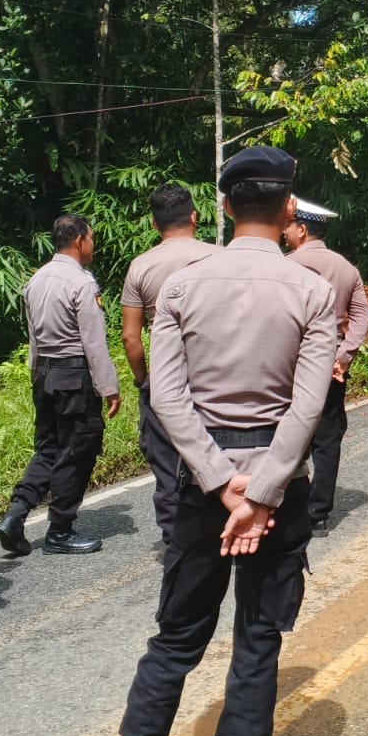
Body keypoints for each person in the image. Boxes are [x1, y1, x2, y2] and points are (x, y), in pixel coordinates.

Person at [95, 146, 336, 736]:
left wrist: (217, 479)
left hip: (199, 488)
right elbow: (308, 404)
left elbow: (165, 396)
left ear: (226, 207)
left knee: (176, 637)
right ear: (289, 207)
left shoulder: (180, 287)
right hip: (277, 485)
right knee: (257, 640)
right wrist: (260, 491)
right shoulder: (311, 291)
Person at [0, 214, 122, 558]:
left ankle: (15, 515)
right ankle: (60, 530)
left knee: (48, 448)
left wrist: (36, 376)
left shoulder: (36, 280)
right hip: (74, 375)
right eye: (91, 238)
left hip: (44, 374)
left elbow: (33, 336)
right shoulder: (81, 282)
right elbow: (93, 342)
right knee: (76, 451)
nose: (93, 244)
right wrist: (109, 386)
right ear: (79, 240)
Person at [121, 185, 219, 544]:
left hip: (165, 377)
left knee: (165, 458)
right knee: (214, 447)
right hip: (214, 376)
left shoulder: (141, 267)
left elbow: (131, 337)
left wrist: (144, 380)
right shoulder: (218, 258)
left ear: (153, 223)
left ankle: (175, 537)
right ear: (195, 217)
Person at [281, 197, 368, 536]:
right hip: (331, 365)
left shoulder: (286, 266)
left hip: (291, 366)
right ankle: (318, 515)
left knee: (288, 433)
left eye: (289, 227)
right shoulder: (346, 268)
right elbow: (363, 315)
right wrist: (343, 356)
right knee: (327, 437)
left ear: (301, 229)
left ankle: (285, 505)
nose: (285, 233)